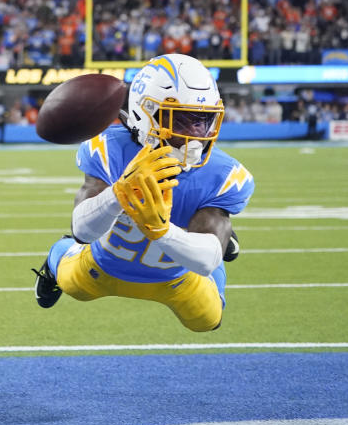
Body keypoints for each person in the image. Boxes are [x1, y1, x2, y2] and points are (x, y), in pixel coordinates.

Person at [33, 54, 254, 332]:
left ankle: (214, 231)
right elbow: (83, 231)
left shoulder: (222, 173)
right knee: (75, 287)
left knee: (207, 321)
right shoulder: (112, 149)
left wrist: (161, 231)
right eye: (183, 121)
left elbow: (206, 262)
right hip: (103, 265)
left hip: (176, 277)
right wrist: (119, 193)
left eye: (204, 121)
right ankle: (57, 256)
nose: (197, 134)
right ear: (144, 113)